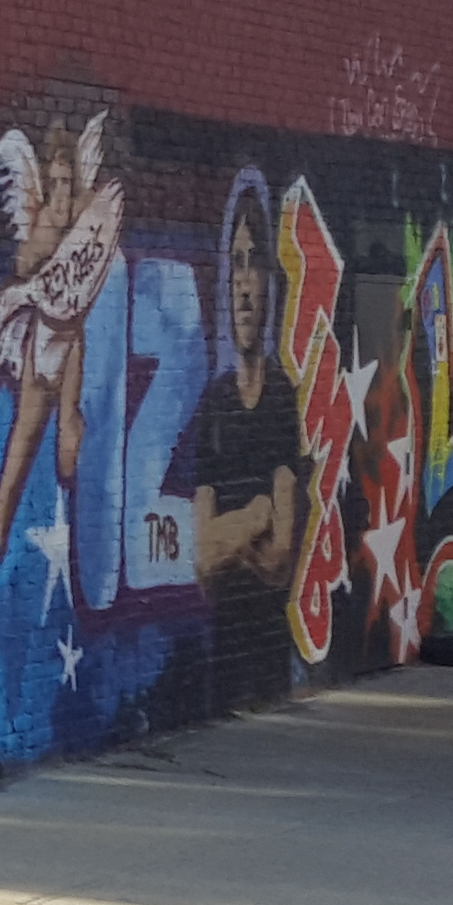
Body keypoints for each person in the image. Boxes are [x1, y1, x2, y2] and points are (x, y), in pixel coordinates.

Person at [178, 178, 316, 714]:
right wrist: (256, 514)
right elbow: (202, 562)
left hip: (268, 654)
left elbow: (281, 559)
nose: (242, 283)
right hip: (222, 651)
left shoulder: (281, 397)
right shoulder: (215, 403)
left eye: (253, 262)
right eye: (234, 263)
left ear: (269, 283)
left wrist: (228, 537)